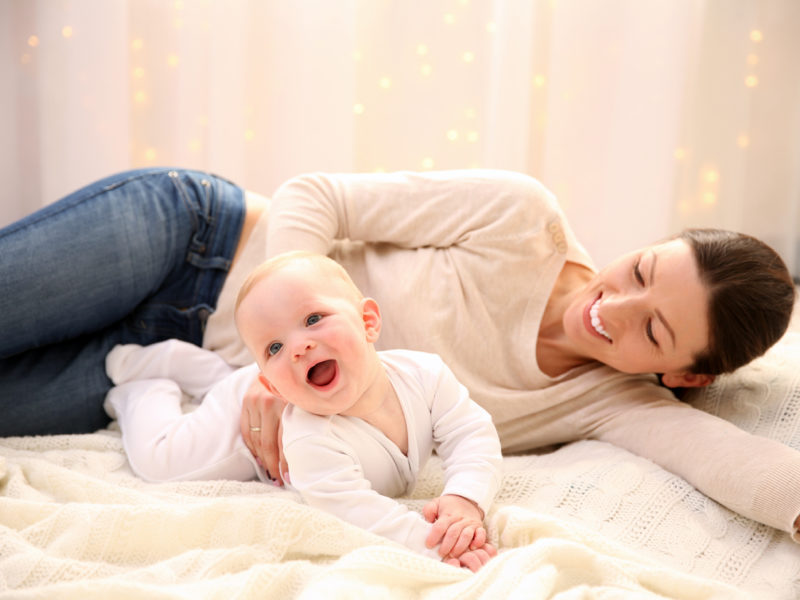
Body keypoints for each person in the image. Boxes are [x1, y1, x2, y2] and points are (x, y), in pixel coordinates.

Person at [1, 167, 798, 538]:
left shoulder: (615, 403)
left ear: (684, 372)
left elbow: (733, 461)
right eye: (641, 271)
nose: (611, 307)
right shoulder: (523, 217)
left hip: (171, 367)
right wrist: (278, 363)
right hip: (193, 242)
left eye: (653, 329)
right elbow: (317, 196)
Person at [103, 251, 503, 571]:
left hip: (265, 381)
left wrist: (464, 500)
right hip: (243, 422)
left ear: (367, 321)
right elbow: (357, 513)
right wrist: (437, 546)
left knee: (238, 377)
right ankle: (148, 388)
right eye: (274, 347)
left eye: (313, 319)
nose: (297, 347)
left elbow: (471, 432)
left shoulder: (426, 375)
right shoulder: (311, 436)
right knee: (160, 460)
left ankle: (197, 367)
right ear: (273, 385)